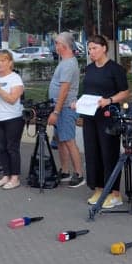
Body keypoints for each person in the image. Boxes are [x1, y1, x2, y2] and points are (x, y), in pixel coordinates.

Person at [76, 35, 129, 208]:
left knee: (109, 153)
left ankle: (114, 193)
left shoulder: (115, 69)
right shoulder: (89, 69)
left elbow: (125, 92)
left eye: (95, 48)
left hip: (108, 117)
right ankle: (99, 188)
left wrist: (109, 100)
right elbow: (86, 92)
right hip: (90, 117)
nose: (91, 52)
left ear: (104, 48)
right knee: (92, 153)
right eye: (89, 49)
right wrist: (78, 104)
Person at [47, 32, 85, 187]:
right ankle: (65, 171)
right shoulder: (65, 62)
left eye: (57, 43)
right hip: (60, 107)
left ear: (63, 45)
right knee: (61, 141)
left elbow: (64, 89)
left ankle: (79, 174)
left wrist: (56, 112)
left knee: (69, 141)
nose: (55, 46)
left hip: (65, 108)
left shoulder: (68, 64)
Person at [0, 50, 25, 189]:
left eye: (3, 60)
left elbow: (12, 99)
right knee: (1, 148)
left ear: (10, 62)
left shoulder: (15, 78)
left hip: (13, 118)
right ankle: (6, 175)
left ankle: (15, 177)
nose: (0, 63)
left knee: (12, 148)